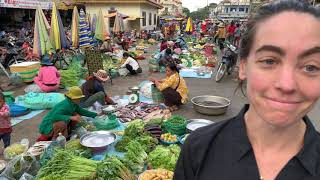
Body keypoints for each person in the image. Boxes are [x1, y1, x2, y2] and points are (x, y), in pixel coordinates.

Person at [174, 1, 320, 180]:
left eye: (311, 67)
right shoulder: (198, 148)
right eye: (269, 61)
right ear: (243, 66)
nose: (287, 85)